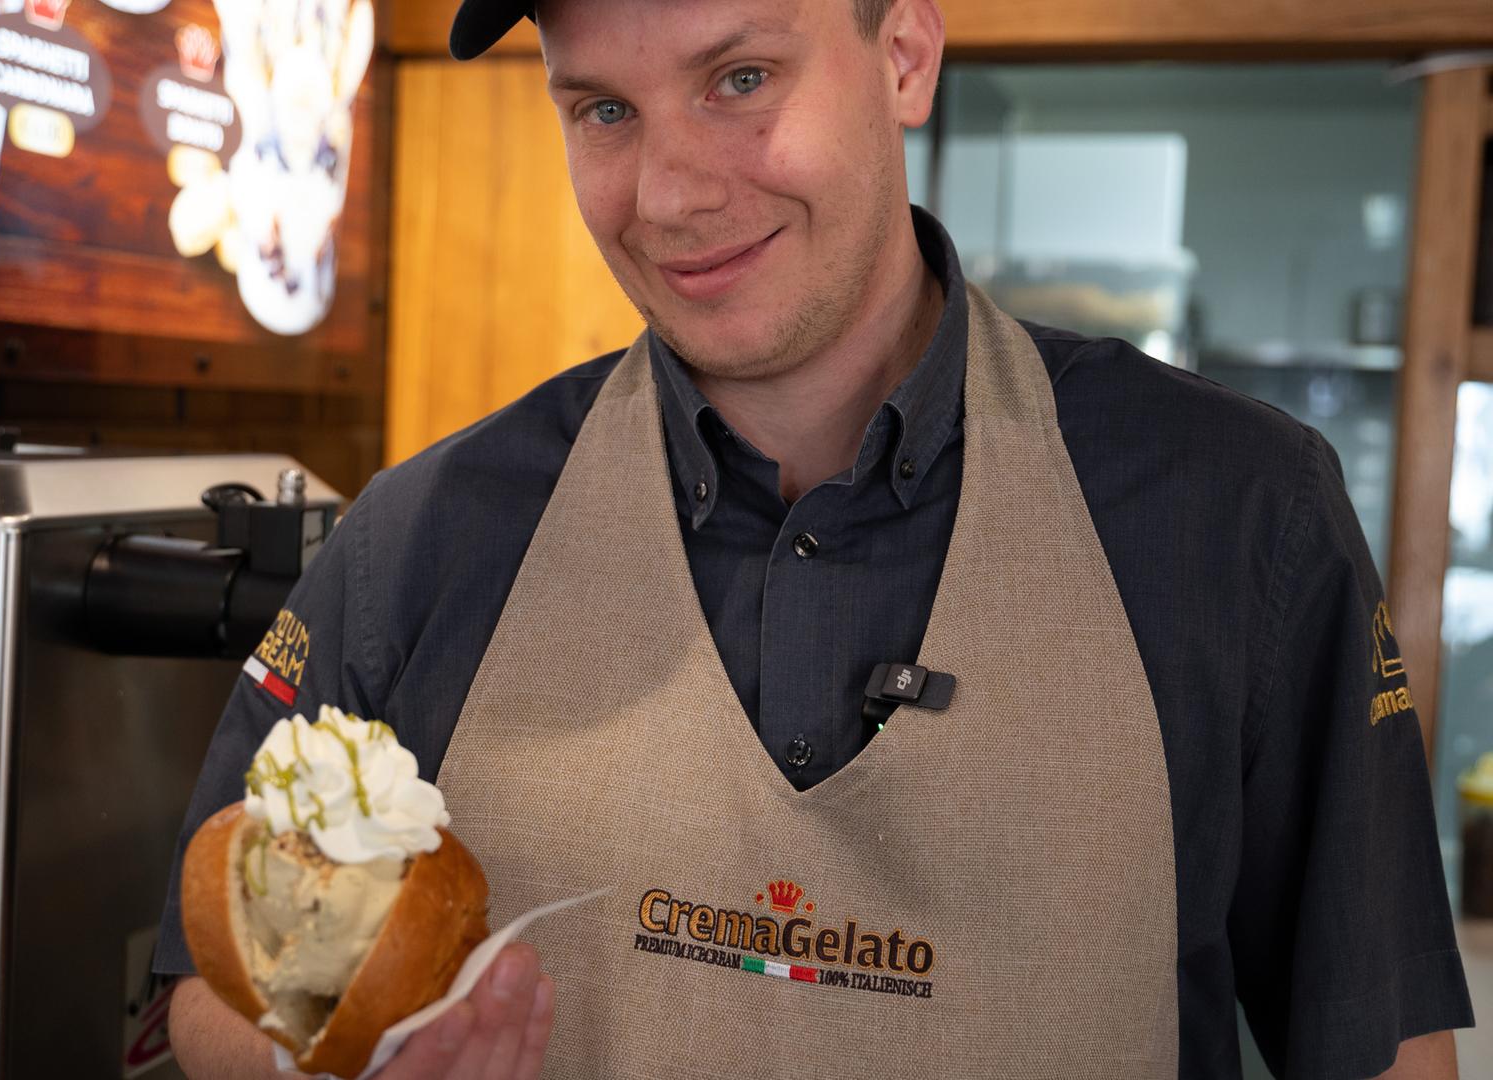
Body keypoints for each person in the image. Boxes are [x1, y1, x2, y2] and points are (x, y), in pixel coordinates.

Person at [154, 0, 1476, 1075]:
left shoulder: (1236, 514)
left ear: (904, 55)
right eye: (604, 109)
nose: (669, 193)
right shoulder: (422, 539)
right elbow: (214, 992)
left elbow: (1376, 1045)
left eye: (739, 78)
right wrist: (316, 1064)